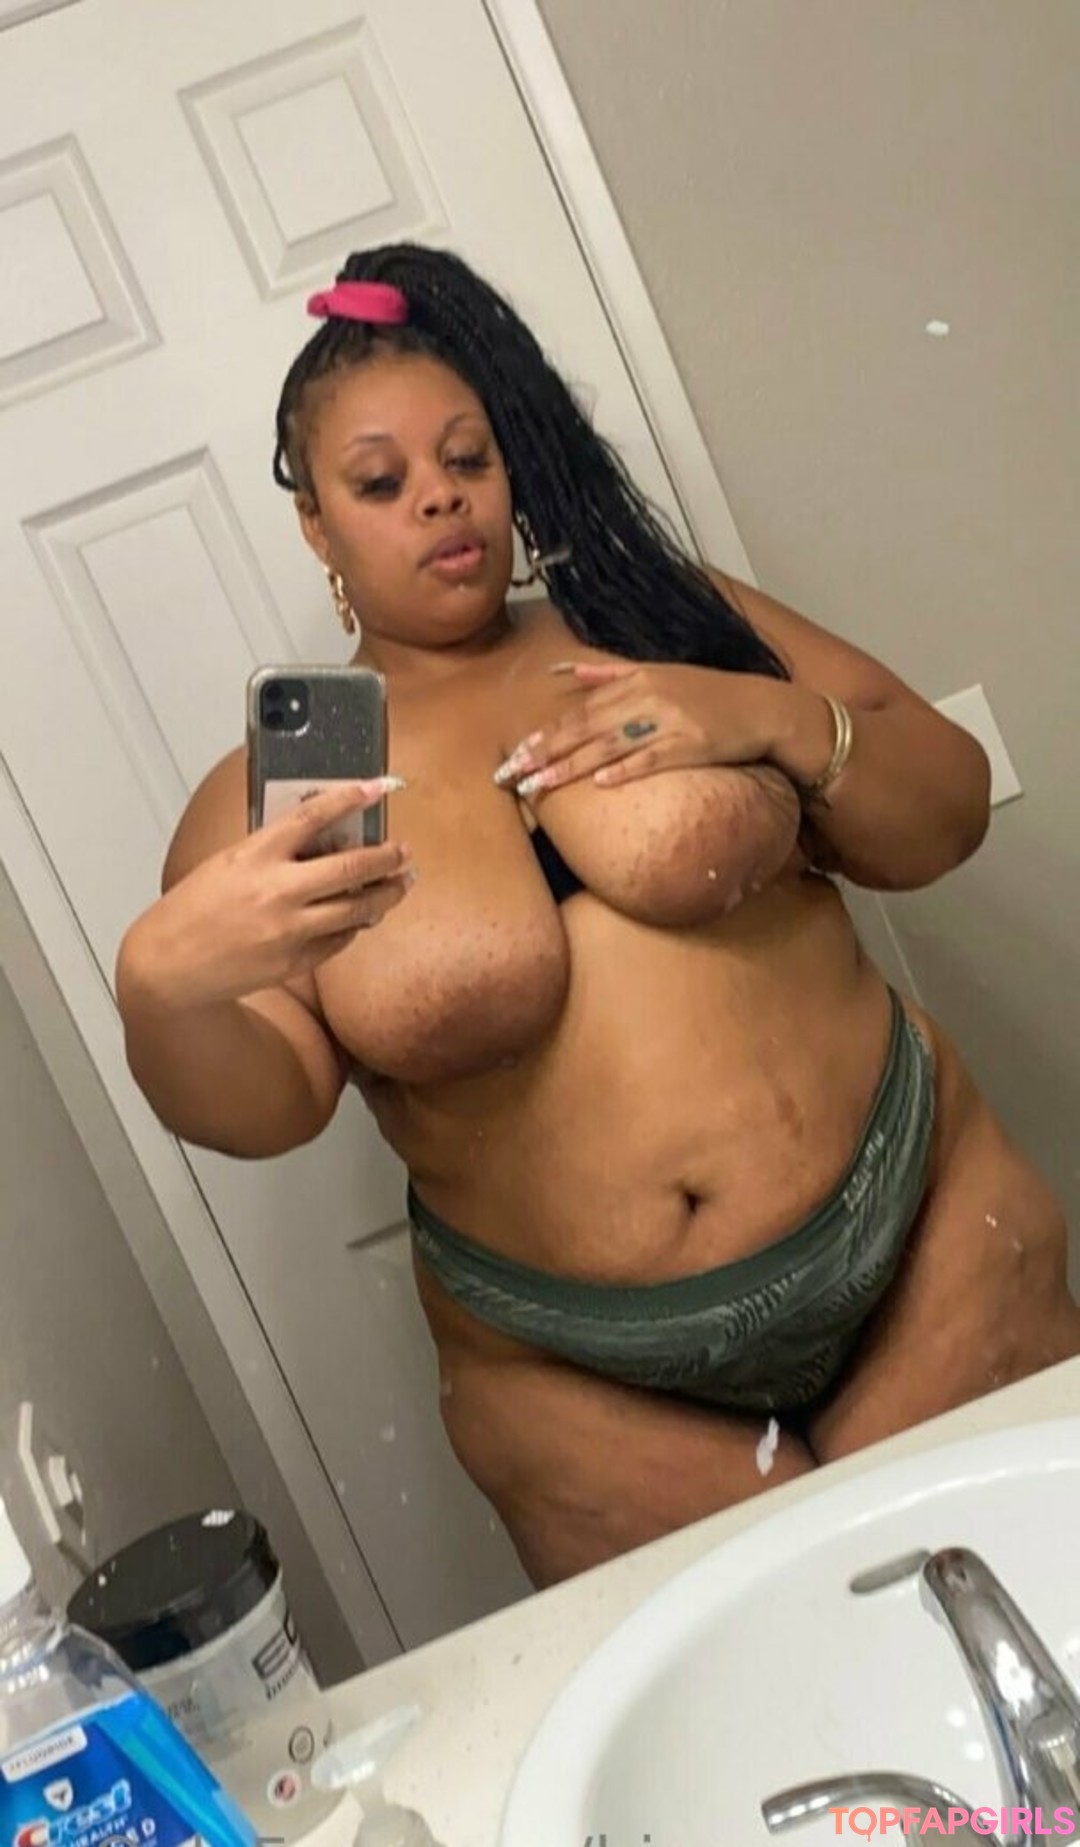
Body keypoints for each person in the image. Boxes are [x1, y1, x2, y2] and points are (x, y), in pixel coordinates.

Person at [116, 244, 1080, 1589]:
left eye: (468, 457)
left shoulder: (653, 615)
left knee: (1048, 1621)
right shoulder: (280, 796)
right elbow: (268, 1105)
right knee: (763, 1704)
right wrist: (160, 988)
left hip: (924, 1236)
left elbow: (947, 808)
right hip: (583, 1392)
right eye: (380, 483)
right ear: (316, 529)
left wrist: (767, 716)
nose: (440, 496)